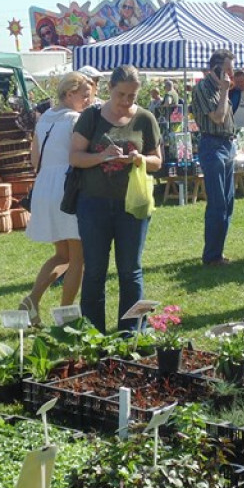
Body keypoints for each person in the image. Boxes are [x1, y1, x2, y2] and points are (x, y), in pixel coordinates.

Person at [70, 64, 162, 333]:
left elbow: (157, 161)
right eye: (121, 94)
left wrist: (139, 158)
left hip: (133, 206)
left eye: (132, 96)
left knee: (130, 270)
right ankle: (93, 333)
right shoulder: (91, 116)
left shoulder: (145, 118)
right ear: (109, 89)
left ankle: (130, 332)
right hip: (94, 204)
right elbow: (75, 157)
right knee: (95, 271)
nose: (126, 101)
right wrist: (102, 156)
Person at [22, 72, 92, 324]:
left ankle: (31, 301)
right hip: (68, 187)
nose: (87, 100)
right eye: (84, 95)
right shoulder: (76, 119)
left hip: (45, 187)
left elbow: (34, 159)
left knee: (62, 254)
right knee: (78, 257)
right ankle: (66, 315)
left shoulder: (44, 119)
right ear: (70, 93)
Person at [191, 49, 236, 266]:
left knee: (228, 203)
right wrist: (225, 91)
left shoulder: (221, 88)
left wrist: (225, 90)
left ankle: (218, 252)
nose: (231, 73)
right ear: (216, 68)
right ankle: (211, 256)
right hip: (212, 145)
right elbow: (218, 117)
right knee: (217, 204)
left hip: (227, 145)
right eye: (228, 68)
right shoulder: (203, 88)